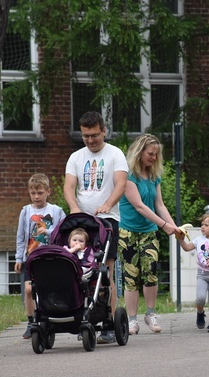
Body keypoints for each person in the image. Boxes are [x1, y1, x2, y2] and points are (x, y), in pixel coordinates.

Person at [64, 111, 128, 344]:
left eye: (94, 135)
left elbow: (121, 184)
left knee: (105, 270)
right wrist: (73, 207)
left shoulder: (115, 154)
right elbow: (69, 186)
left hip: (107, 220)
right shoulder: (76, 157)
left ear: (104, 132)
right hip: (81, 220)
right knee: (80, 269)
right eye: (85, 136)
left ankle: (108, 321)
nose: (90, 140)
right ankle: (82, 314)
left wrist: (107, 204)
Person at [118, 134, 183, 335]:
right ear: (139, 152)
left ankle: (151, 313)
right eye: (150, 153)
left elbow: (159, 205)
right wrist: (164, 225)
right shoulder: (128, 175)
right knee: (131, 276)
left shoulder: (154, 176)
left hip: (149, 232)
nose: (154, 158)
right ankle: (131, 320)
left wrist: (176, 228)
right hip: (128, 232)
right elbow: (139, 206)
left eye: (156, 154)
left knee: (151, 272)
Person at [14, 173, 66, 339]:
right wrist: (18, 258)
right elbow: (21, 236)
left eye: (40, 193)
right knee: (29, 290)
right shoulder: (26, 211)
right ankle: (31, 322)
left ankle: (50, 318)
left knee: (48, 290)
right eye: (33, 193)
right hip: (32, 257)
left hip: (51, 257)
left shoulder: (56, 211)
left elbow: (63, 233)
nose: (36, 197)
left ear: (48, 192)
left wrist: (48, 232)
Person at [177, 213, 209, 333]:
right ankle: (200, 312)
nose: (202, 227)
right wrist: (180, 239)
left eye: (206, 225)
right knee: (200, 298)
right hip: (202, 274)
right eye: (202, 224)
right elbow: (186, 247)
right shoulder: (198, 240)